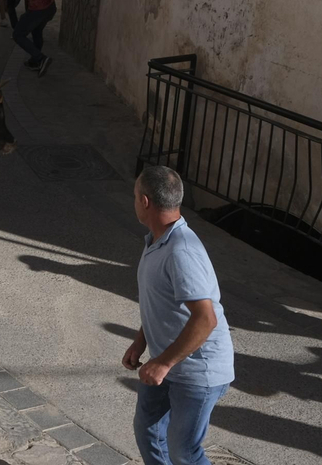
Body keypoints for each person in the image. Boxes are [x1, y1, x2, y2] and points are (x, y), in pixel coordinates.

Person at [123, 166, 235, 465]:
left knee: (184, 452)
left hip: (198, 371)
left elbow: (205, 319)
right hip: (169, 362)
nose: (133, 201)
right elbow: (162, 303)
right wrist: (140, 341)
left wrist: (162, 362)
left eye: (135, 196)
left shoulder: (181, 251)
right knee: (148, 432)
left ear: (145, 201)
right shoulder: (158, 240)